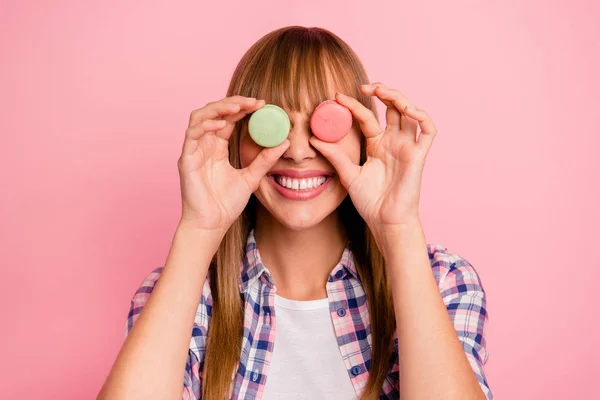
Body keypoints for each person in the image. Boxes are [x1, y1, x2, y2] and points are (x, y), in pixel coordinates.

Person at [98, 26, 492, 400]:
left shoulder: (443, 281)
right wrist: (199, 228)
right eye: (272, 123)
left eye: (327, 124)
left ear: (364, 137)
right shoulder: (181, 294)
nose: (298, 151)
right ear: (236, 137)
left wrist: (399, 227)